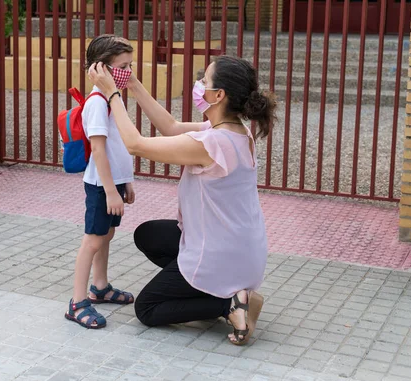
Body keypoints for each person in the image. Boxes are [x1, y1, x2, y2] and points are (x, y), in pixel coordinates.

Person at [88, 55, 276, 345]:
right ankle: (217, 293)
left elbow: (135, 144)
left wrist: (112, 92)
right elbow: (172, 126)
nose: (198, 84)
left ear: (218, 95)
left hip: (221, 254)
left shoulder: (211, 144)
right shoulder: (236, 132)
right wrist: (133, 84)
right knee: (148, 235)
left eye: (204, 80)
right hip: (242, 251)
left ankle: (229, 305)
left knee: (147, 308)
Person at [65, 35, 137, 329]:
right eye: (123, 66)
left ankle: (100, 286)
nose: (128, 72)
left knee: (106, 236)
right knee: (93, 240)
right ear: (102, 69)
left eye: (130, 65)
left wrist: (127, 183)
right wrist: (110, 191)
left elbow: (119, 145)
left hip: (115, 184)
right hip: (101, 186)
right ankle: (77, 302)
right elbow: (98, 149)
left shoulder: (112, 100)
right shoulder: (97, 102)